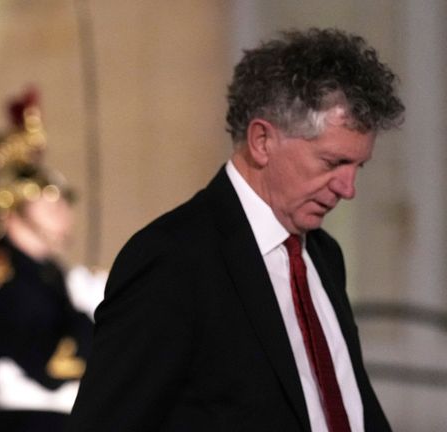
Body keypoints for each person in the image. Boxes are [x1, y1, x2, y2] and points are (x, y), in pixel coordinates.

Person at [66, 28, 405, 432]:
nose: (348, 189)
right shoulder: (172, 260)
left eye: (357, 167)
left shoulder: (323, 254)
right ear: (262, 140)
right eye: (332, 163)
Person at [0, 90, 97, 432]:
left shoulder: (48, 273)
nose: (64, 213)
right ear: (13, 207)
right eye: (50, 202)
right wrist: (89, 312)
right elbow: (52, 368)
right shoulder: (0, 279)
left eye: (64, 201)